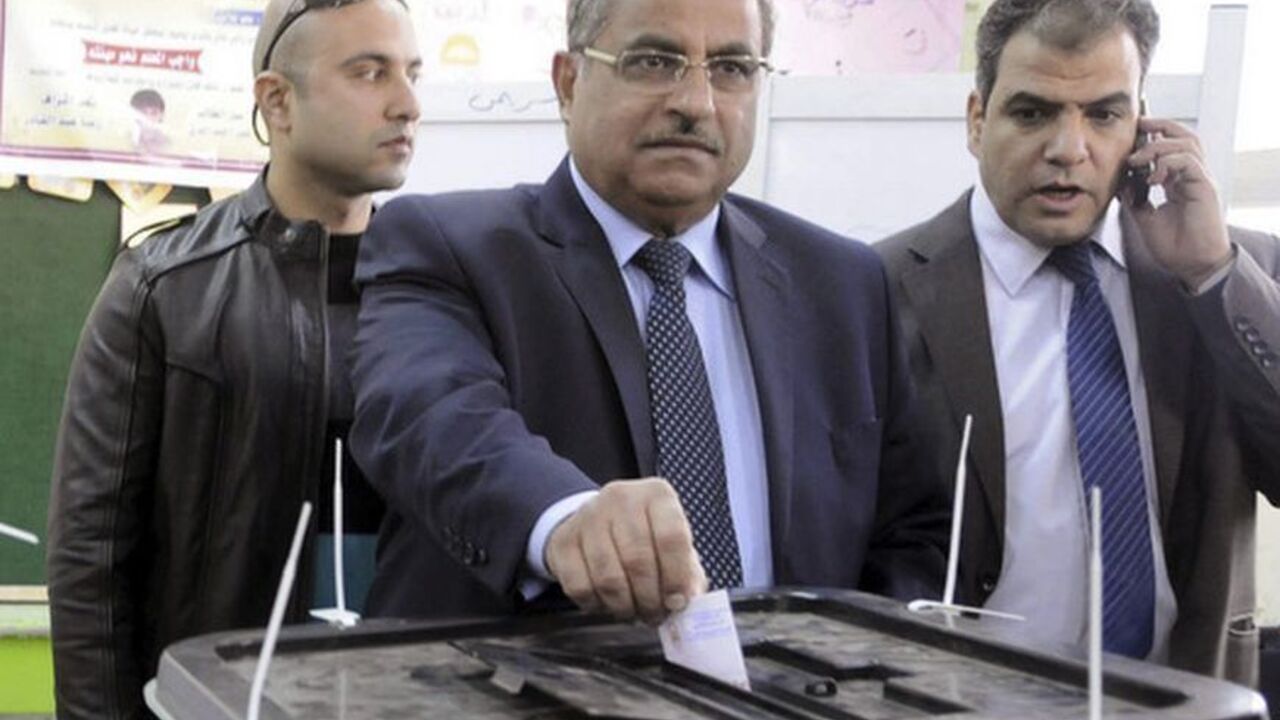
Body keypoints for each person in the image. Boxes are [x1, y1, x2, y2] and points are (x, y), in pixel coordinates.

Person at [349, 0, 948, 626]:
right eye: (655, 61)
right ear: (568, 83)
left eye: (732, 68)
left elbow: (914, 530)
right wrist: (566, 521)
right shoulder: (446, 247)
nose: (698, 102)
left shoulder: (846, 286)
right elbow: (431, 416)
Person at [877, 0, 1280, 684]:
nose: (1069, 149)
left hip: (1182, 699)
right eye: (1032, 113)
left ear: (1142, 125)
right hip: (956, 700)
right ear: (978, 120)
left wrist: (1211, 277)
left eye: (1103, 114)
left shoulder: (1229, 273)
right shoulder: (878, 288)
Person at [46, 1, 421, 717]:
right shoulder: (166, 286)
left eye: (411, 73)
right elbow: (90, 560)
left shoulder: (445, 285)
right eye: (369, 73)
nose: (406, 104)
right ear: (277, 101)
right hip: (219, 701)